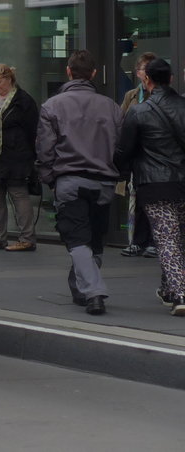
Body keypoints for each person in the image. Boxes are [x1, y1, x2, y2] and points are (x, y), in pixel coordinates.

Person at [35, 50, 122, 316]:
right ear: (94, 74)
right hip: (104, 182)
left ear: (68, 71)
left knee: (77, 240)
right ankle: (81, 288)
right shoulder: (112, 107)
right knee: (94, 241)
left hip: (69, 180)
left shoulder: (52, 106)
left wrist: (48, 178)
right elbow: (120, 147)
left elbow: (45, 149)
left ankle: (94, 293)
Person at [114, 57, 185, 317]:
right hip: (182, 181)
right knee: (180, 239)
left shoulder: (139, 111)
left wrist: (119, 171)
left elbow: (124, 149)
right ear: (171, 79)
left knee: (167, 239)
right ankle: (169, 289)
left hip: (156, 184)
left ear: (147, 80)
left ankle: (180, 293)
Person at [0, 63, 40, 252]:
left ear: (9, 79)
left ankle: (27, 238)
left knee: (19, 196)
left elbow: (32, 130)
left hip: (15, 157)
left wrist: (29, 155)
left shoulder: (23, 101)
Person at [119, 52, 158, 258]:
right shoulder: (131, 95)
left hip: (155, 155)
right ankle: (136, 241)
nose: (143, 73)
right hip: (136, 155)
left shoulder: (161, 95)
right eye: (142, 69)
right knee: (136, 198)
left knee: (154, 200)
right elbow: (122, 121)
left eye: (146, 69)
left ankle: (153, 241)